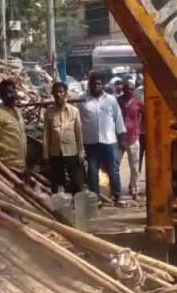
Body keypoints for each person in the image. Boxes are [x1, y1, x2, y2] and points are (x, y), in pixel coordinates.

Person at [79, 74, 126, 205]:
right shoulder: (82, 100)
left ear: (103, 85)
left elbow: (118, 119)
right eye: (94, 83)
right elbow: (77, 121)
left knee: (113, 170)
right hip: (91, 142)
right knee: (92, 172)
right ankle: (95, 198)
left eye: (99, 83)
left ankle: (117, 196)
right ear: (89, 84)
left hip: (109, 141)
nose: (96, 86)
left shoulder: (111, 100)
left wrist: (122, 139)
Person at [43, 82, 84, 194]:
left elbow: (79, 133)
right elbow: (46, 135)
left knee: (76, 180)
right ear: (53, 94)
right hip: (55, 152)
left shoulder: (74, 111)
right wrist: (46, 154)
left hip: (72, 151)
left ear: (66, 93)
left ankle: (77, 204)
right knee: (57, 182)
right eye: (56, 92)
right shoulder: (48, 112)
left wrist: (81, 152)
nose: (58, 94)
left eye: (61, 92)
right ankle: (61, 207)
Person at [0, 79, 28, 175]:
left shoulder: (18, 111)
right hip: (7, 165)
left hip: (21, 164)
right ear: (1, 96)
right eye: (8, 93)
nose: (12, 95)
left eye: (13, 91)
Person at [118, 80, 143, 197]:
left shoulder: (138, 103)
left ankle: (135, 189)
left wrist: (140, 128)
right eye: (127, 88)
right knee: (115, 165)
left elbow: (147, 114)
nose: (129, 91)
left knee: (134, 166)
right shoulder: (117, 102)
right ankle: (116, 190)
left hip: (133, 137)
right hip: (119, 138)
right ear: (123, 89)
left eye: (132, 89)